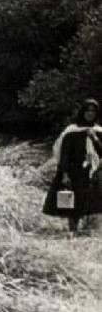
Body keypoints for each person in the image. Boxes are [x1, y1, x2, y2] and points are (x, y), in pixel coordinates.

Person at [42, 98, 102, 235]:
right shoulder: (72, 131)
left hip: (93, 171)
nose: (90, 113)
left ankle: (89, 230)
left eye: (93, 111)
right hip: (75, 171)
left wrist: (95, 138)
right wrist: (64, 174)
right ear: (82, 112)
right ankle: (73, 230)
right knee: (73, 201)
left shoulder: (98, 131)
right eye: (87, 110)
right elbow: (65, 155)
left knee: (91, 200)